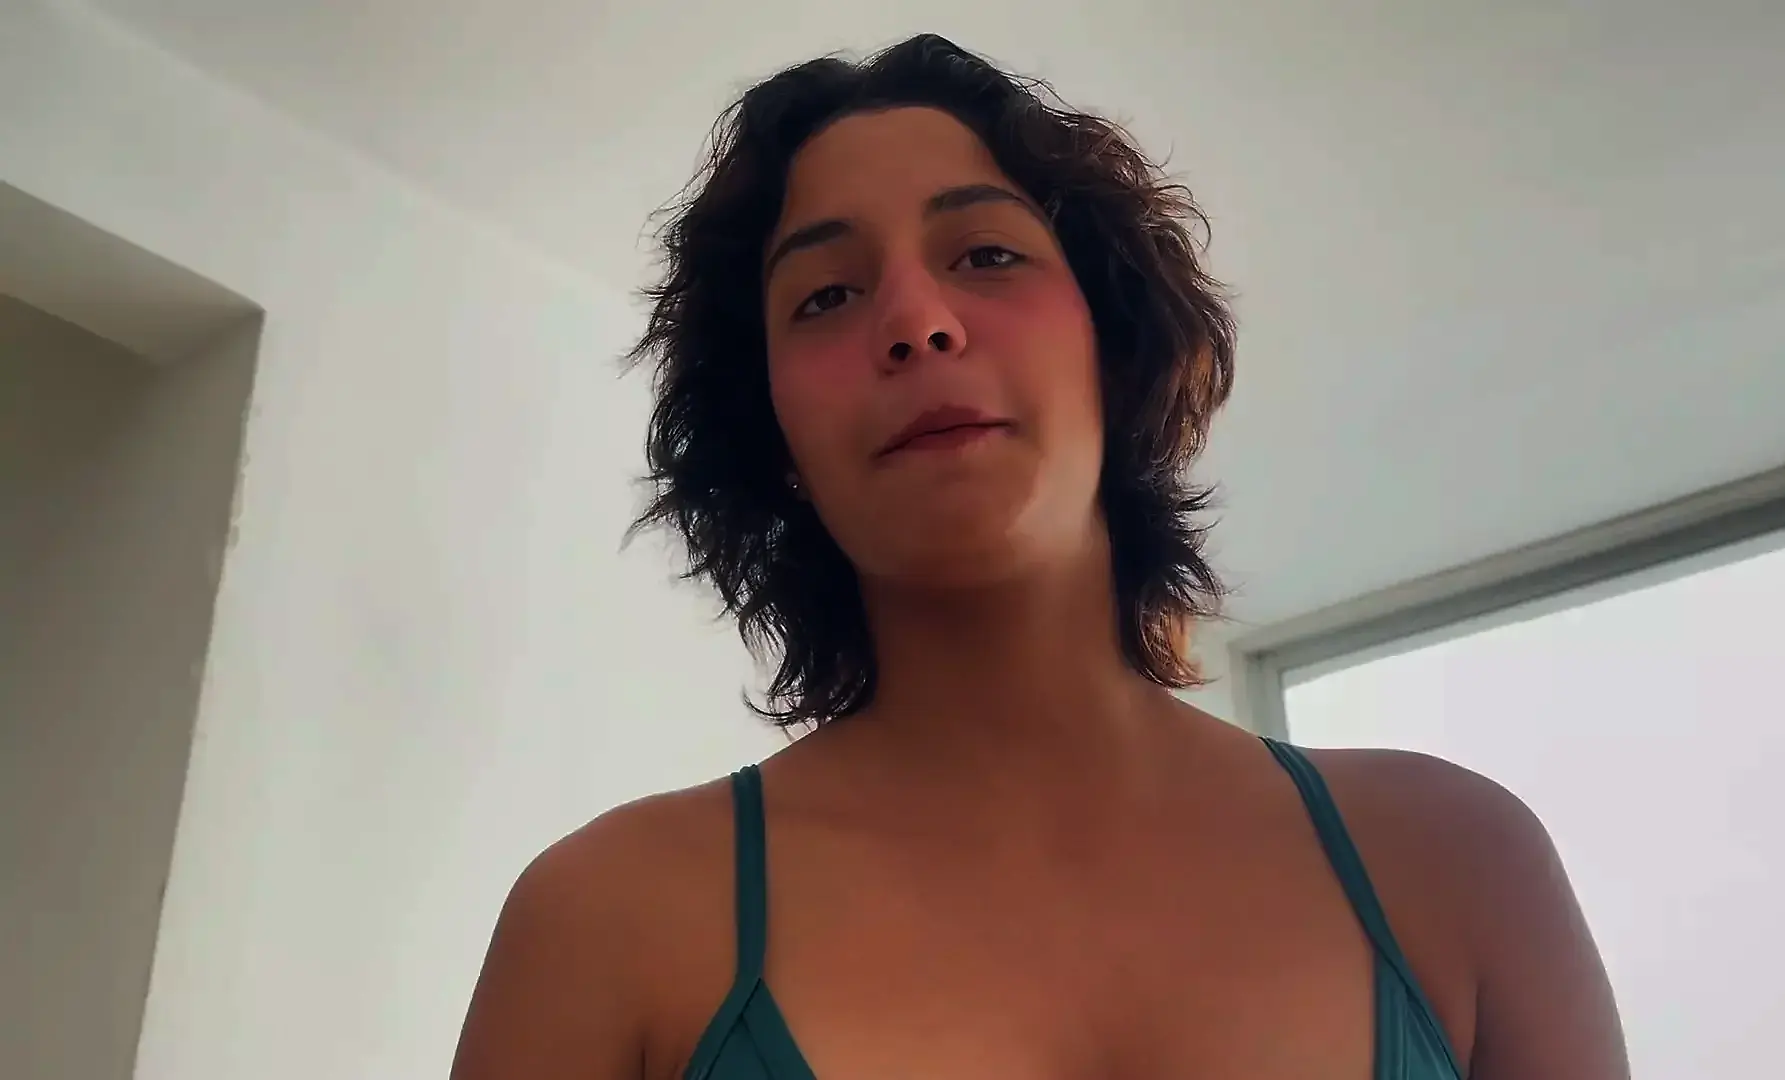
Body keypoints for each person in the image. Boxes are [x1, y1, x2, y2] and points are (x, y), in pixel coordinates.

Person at [451, 33, 1628, 1080]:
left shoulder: (1457, 865)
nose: (917, 322)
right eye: (826, 296)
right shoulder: (608, 925)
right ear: (777, 437)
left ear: (1110, 351)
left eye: (986, 256)